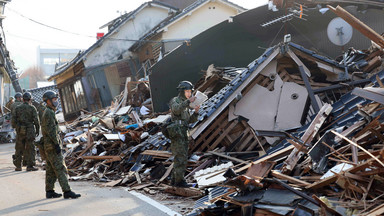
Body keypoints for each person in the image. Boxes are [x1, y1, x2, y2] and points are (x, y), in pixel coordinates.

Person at [41, 90, 80, 199]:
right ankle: (67, 191)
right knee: (60, 168)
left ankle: (49, 191)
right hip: (52, 145)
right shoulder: (49, 112)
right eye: (54, 99)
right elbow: (51, 131)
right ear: (48, 101)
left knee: (50, 169)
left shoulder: (48, 111)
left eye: (56, 99)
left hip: (48, 145)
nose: (56, 101)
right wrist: (57, 144)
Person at [167, 81, 200, 187]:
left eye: (190, 91)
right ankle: (179, 182)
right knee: (180, 157)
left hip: (183, 131)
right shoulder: (175, 100)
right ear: (181, 91)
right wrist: (187, 102)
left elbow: (189, 120)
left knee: (182, 156)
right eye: (186, 91)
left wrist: (196, 112)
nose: (189, 94)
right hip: (177, 132)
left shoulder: (186, 104)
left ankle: (174, 180)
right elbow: (176, 110)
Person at [11, 92, 40, 171]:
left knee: (19, 147)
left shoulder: (17, 108)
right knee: (31, 148)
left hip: (20, 129)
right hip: (30, 129)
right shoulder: (32, 108)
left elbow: (13, 120)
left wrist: (16, 128)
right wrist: (37, 130)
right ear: (30, 99)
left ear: (22, 99)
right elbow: (36, 121)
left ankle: (18, 166)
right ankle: (30, 166)